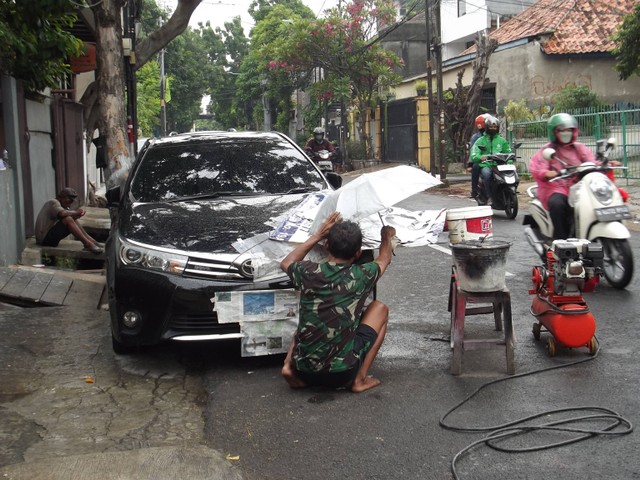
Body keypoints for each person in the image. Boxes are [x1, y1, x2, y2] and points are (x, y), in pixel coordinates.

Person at [280, 212, 396, 393]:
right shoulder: (362, 275)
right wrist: (386, 235)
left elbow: (287, 262)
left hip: (302, 370)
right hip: (342, 374)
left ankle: (288, 366)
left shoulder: (308, 271)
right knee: (380, 308)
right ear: (358, 253)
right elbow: (385, 258)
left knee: (311, 317)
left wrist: (317, 235)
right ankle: (359, 380)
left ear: (326, 245)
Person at [529, 113, 599, 240]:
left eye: (569, 130)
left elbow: (592, 161)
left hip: (578, 186)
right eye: (562, 130)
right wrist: (546, 173)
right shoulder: (548, 150)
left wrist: (607, 164)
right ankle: (560, 241)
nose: (566, 133)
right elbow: (537, 166)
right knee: (558, 204)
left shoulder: (579, 148)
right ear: (554, 132)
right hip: (555, 187)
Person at [35, 187, 103, 253]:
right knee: (68, 219)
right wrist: (76, 212)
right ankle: (87, 244)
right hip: (44, 240)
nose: (70, 203)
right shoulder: (53, 202)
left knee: (72, 219)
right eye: (69, 200)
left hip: (48, 237)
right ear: (62, 197)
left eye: (72, 201)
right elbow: (62, 213)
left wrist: (76, 216)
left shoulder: (60, 205)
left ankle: (91, 240)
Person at [470, 115, 511, 205]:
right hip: (486, 165)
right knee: (487, 175)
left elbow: (507, 151)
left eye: (495, 127)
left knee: (508, 176)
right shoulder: (480, 140)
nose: (493, 128)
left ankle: (509, 193)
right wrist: (480, 157)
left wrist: (509, 160)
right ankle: (489, 197)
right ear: (487, 127)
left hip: (499, 165)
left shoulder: (502, 141)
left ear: (497, 127)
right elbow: (474, 154)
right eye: (491, 127)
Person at [469, 114, 488, 198]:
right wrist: (470, 164)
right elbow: (472, 151)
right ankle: (474, 190)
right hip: (481, 160)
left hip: (494, 159)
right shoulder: (476, 137)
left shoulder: (495, 136)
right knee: (475, 167)